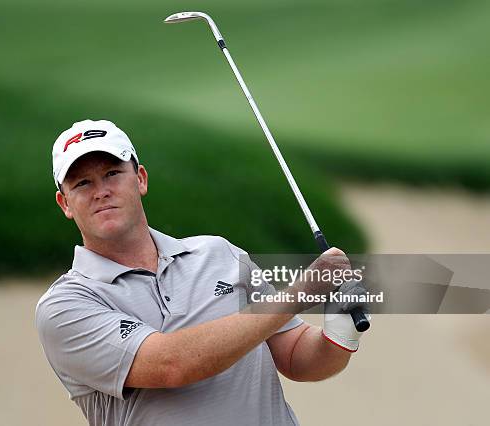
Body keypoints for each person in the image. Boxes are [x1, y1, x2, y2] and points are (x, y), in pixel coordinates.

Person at [35, 119, 368, 426]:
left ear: (140, 179)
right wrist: (300, 293)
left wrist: (340, 331)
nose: (100, 191)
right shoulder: (65, 307)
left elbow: (296, 356)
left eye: (112, 173)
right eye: (82, 183)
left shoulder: (219, 253)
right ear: (65, 203)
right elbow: (171, 365)